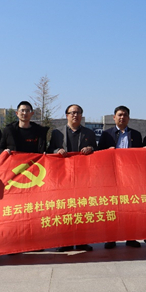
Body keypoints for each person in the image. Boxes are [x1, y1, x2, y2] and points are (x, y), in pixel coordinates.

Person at [48, 104, 98, 252]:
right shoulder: (57, 133)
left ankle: (82, 242)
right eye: (72, 113)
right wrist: (57, 150)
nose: (75, 115)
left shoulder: (89, 133)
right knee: (65, 209)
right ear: (67, 115)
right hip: (64, 176)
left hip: (83, 177)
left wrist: (91, 149)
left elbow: (97, 151)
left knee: (82, 209)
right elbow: (50, 150)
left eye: (78, 113)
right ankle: (66, 242)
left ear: (81, 115)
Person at [98, 105, 142, 249]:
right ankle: (111, 238)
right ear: (114, 117)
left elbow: (140, 155)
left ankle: (131, 237)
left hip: (130, 178)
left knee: (130, 207)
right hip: (112, 177)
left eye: (125, 115)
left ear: (128, 118)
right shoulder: (106, 134)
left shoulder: (136, 135)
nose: (122, 117)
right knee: (112, 207)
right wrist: (107, 151)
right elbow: (98, 155)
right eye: (119, 115)